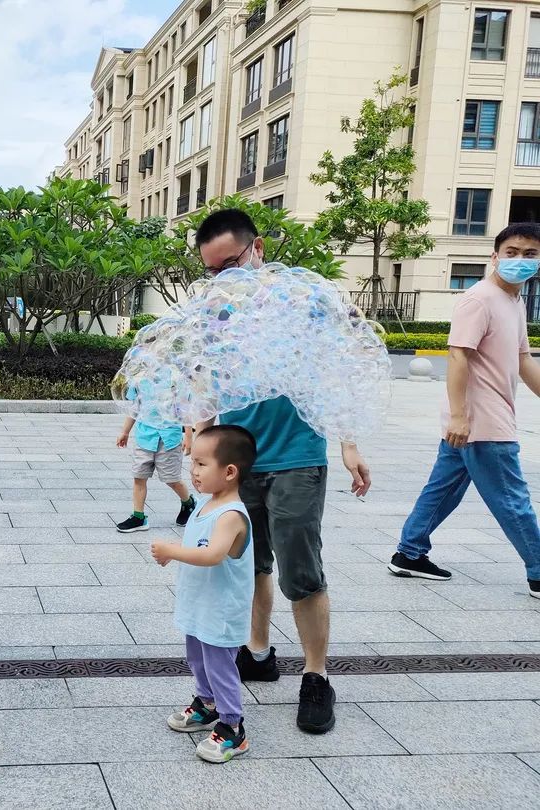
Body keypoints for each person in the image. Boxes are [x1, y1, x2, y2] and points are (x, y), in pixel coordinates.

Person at [194, 208, 371, 734]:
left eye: (232, 263)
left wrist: (349, 444)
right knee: (247, 563)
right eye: (213, 271)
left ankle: (316, 676)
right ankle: (258, 651)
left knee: (301, 570)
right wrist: (200, 437)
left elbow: (337, 369)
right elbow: (207, 376)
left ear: (258, 249)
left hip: (296, 456)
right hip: (238, 459)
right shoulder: (216, 312)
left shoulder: (305, 302)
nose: (225, 278)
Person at [390, 223, 540, 598]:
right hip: (481, 421)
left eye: (530, 254)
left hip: (479, 420)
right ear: (495, 256)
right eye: (512, 252)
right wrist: (459, 415)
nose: (519, 260)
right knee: (512, 498)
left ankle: (409, 552)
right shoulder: (479, 299)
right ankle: (538, 569)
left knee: (443, 489)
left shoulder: (514, 300)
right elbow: (458, 355)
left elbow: (523, 357)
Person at [150, 425, 256, 763]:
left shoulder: (231, 515)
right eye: (192, 462)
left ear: (229, 472)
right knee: (198, 659)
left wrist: (171, 550)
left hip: (221, 610)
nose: (192, 471)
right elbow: (198, 545)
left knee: (220, 666)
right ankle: (206, 703)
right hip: (200, 604)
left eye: (200, 463)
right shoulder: (206, 505)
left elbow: (211, 554)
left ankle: (232, 727)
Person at [115, 405, 196, 532]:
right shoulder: (140, 385)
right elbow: (134, 409)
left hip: (169, 440)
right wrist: (125, 432)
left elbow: (184, 409)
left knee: (172, 480)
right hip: (144, 439)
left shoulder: (175, 385)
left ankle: (189, 503)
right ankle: (138, 517)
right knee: (139, 477)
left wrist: (189, 436)